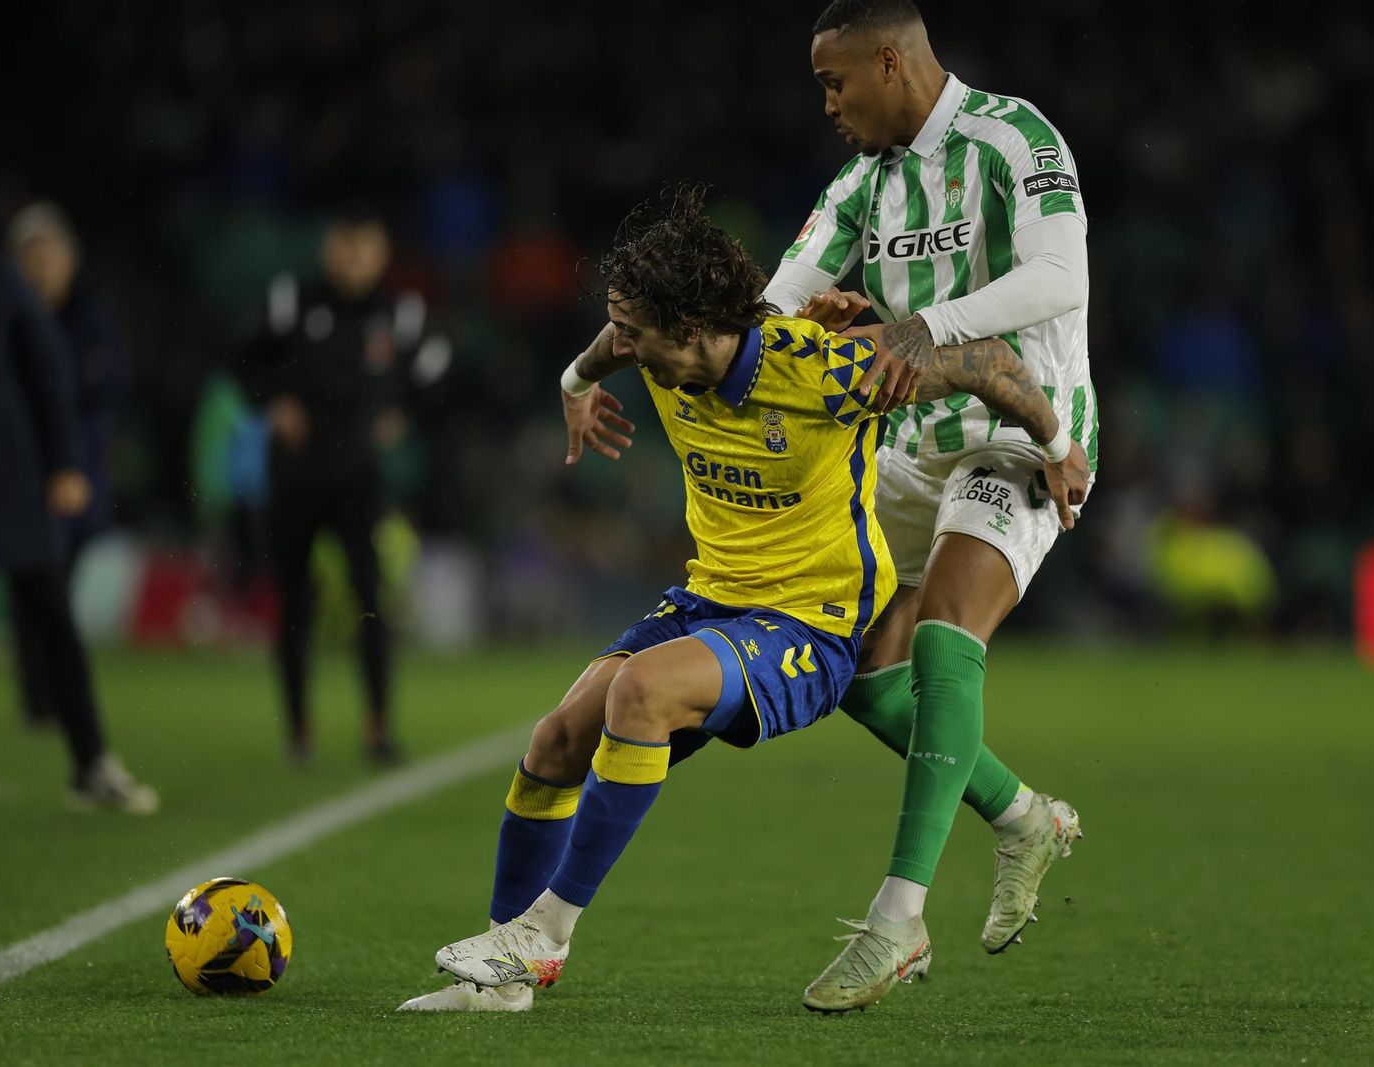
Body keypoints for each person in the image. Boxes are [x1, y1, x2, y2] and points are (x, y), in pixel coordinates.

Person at [397, 183, 1079, 1012]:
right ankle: (497, 986)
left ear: (690, 331)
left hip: (809, 627)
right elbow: (607, 346)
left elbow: (994, 363)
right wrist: (577, 380)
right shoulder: (651, 342)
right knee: (554, 742)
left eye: (638, 333)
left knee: (639, 692)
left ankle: (543, 936)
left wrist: (1055, 443)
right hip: (709, 599)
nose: (627, 346)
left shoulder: (824, 367)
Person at [755, 0, 1098, 1011]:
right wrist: (804, 327)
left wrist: (925, 327)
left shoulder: (1011, 136)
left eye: (834, 81)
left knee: (948, 628)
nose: (826, 103)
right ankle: (1022, 813)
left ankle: (897, 919)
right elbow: (778, 302)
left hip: (1027, 431)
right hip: (909, 449)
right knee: (855, 674)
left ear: (891, 62)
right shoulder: (860, 184)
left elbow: (1058, 271)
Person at [0, 192, 157, 813]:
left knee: (52, 617)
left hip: (4, 481)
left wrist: (64, 462)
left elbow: (48, 370)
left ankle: (92, 763)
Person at [235, 203, 449, 766]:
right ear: (329, 246)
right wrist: (273, 403)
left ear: (381, 253)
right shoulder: (291, 301)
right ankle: (298, 731)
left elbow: (437, 367)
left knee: (370, 600)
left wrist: (403, 411)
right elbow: (240, 359)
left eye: (365, 246)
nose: (353, 258)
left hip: (359, 479)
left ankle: (378, 728)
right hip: (296, 477)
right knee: (294, 604)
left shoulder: (398, 312)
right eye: (345, 245)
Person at [5, 201, 129, 729]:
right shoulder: (3, 319)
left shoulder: (93, 320)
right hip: (18, 473)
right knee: (31, 583)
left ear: (70, 260)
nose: (41, 265)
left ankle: (50, 690)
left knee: (59, 581)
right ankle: (39, 695)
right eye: (30, 254)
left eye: (49, 253)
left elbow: (107, 390)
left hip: (77, 475)